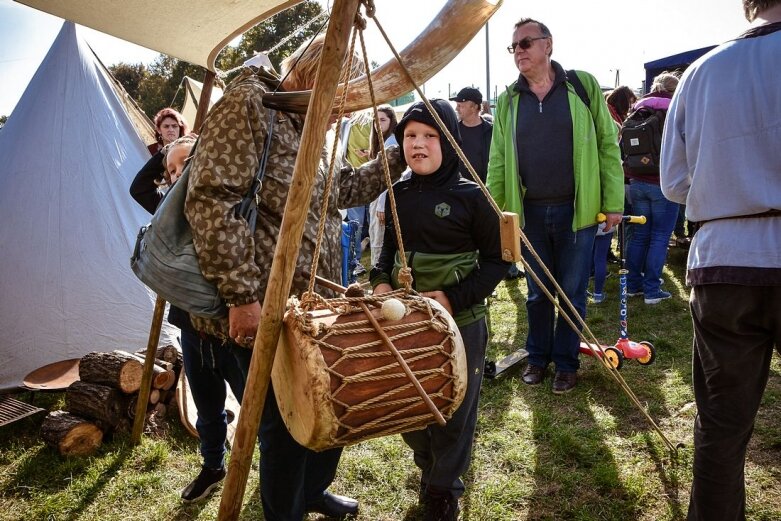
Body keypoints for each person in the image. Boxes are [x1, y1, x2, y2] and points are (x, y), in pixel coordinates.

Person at [184, 35, 405, 520]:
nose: (340, 115)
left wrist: (398, 153)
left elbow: (339, 188)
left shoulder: (314, 127)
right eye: (340, 99)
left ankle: (311, 495)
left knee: (330, 404)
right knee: (284, 426)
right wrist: (242, 296)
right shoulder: (251, 104)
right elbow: (211, 199)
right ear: (313, 74)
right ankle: (286, 513)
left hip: (316, 310)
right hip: (263, 309)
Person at [660, 2, 781, 519]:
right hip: (727, 255)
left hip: (725, 262)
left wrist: (731, 185)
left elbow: (674, 183)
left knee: (721, 428)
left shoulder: (701, 72)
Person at [371, 99, 509, 521]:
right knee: (410, 408)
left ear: (448, 141)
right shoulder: (397, 195)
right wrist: (379, 283)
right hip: (406, 323)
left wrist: (453, 298)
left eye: (430, 136)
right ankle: (429, 466)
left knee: (453, 409)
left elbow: (498, 260)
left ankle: (444, 489)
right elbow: (384, 256)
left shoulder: (473, 196)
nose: (418, 144)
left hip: (460, 323)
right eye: (410, 135)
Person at [486, 18, 624, 394]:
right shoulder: (508, 100)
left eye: (526, 42)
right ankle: (536, 358)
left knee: (572, 291)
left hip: (577, 212)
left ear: (548, 44)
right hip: (529, 213)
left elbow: (608, 146)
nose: (519, 51)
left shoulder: (582, 86)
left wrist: (613, 201)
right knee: (537, 292)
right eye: (513, 46)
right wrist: (497, 209)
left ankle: (567, 363)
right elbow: (498, 157)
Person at [130, 135, 248, 504]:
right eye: (172, 171)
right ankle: (213, 465)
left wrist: (203, 149)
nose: (179, 175)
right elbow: (138, 187)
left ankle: (279, 476)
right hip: (194, 333)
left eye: (188, 165)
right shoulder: (169, 215)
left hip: (234, 333)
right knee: (208, 408)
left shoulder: (232, 205)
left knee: (259, 409)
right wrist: (168, 152)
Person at [624, 72, 679, 304]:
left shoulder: (638, 108)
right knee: (659, 237)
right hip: (662, 183)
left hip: (636, 181)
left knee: (639, 236)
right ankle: (652, 290)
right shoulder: (673, 109)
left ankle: (634, 285)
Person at [367, 104, 399, 266]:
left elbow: (390, 178)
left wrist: (381, 205)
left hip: (384, 198)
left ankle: (379, 274)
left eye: (382, 120)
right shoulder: (382, 141)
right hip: (377, 197)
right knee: (376, 237)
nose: (378, 124)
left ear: (391, 120)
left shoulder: (392, 142)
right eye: (375, 120)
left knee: (380, 239)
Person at [449, 87, 493, 184]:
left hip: (484, 191)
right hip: (458, 190)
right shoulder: (452, 132)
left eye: (460, 106)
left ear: (474, 107)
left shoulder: (492, 132)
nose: (456, 109)